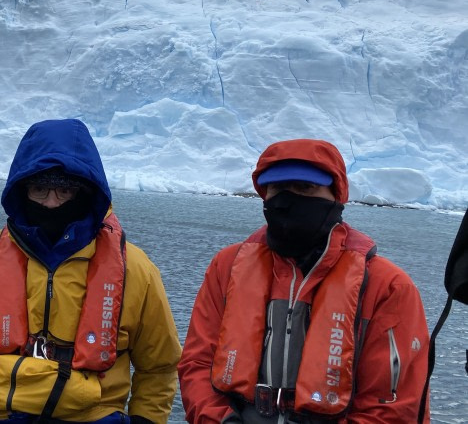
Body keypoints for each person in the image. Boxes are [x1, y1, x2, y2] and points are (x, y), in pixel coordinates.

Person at [0, 118, 182, 424]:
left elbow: (159, 366)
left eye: (64, 191)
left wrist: (146, 420)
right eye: (39, 189)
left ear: (86, 192)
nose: (51, 203)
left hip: (89, 416)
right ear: (21, 190)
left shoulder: (135, 270)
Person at [178, 138, 431, 423]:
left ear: (336, 194)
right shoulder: (227, 267)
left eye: (305, 188)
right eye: (278, 189)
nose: (288, 200)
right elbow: (197, 364)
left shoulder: (388, 286)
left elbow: (393, 407)